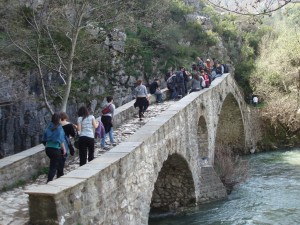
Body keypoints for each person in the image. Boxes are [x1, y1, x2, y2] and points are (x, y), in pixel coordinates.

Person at [42, 112, 66, 183]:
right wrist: (64, 149)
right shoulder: (59, 128)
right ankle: (49, 181)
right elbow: (61, 140)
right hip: (55, 149)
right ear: (59, 119)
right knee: (53, 166)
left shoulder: (48, 126)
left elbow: (44, 139)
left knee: (55, 163)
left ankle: (59, 176)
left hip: (48, 149)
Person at [58, 112, 76, 177]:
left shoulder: (57, 125)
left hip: (56, 142)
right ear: (65, 117)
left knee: (59, 157)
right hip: (65, 142)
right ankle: (60, 173)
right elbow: (73, 134)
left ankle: (59, 172)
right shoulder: (69, 125)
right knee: (63, 156)